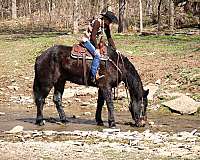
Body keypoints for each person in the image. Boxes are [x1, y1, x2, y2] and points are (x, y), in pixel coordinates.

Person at [82, 10, 118, 83]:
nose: (110, 23)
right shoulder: (97, 22)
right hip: (87, 41)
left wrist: (115, 49)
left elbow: (109, 37)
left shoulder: (105, 25)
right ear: (105, 19)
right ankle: (93, 76)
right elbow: (93, 36)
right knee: (97, 55)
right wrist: (97, 48)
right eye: (110, 21)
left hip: (94, 42)